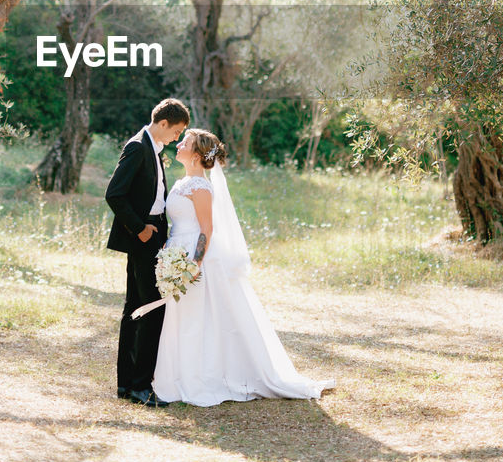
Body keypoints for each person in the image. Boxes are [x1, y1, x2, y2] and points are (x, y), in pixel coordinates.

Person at [153, 128, 335, 406]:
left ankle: (205, 376)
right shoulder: (183, 182)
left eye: (185, 142)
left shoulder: (200, 187)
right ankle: (179, 375)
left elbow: (206, 229)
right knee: (183, 318)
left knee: (199, 320)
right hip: (176, 250)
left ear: (198, 154)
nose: (178, 144)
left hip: (194, 257)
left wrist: (194, 263)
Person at [105, 97, 189, 407]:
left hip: (153, 234)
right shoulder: (138, 146)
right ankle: (140, 387)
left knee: (136, 308)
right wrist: (140, 228)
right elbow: (114, 194)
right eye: (177, 131)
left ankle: (127, 385)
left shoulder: (152, 149)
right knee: (151, 310)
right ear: (163, 123)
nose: (177, 138)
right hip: (143, 236)